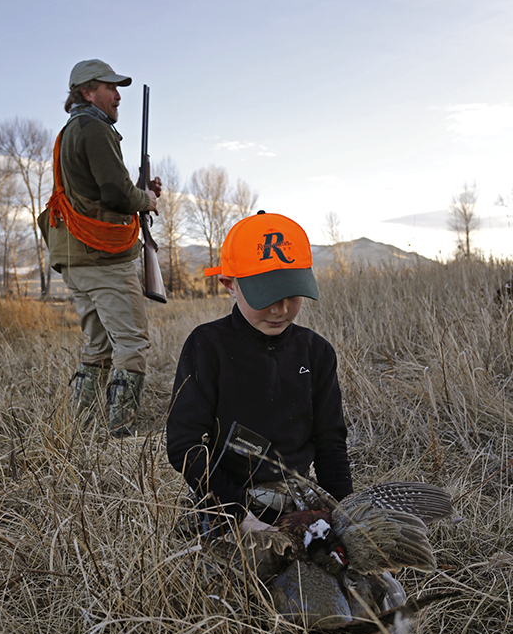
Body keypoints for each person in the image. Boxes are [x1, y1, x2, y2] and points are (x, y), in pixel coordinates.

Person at [166, 211, 353, 535]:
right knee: (248, 580)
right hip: (226, 501)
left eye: (291, 294)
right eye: (265, 295)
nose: (279, 309)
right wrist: (238, 514)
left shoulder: (317, 352)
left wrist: (342, 515)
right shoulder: (208, 345)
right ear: (230, 284)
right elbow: (185, 444)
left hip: (298, 499)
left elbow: (330, 443)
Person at [39, 58, 161, 435]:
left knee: (97, 345)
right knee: (132, 343)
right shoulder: (94, 128)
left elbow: (99, 191)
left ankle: (82, 425)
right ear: (87, 92)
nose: (118, 95)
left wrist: (139, 192)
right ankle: (120, 432)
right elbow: (114, 191)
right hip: (103, 256)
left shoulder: (71, 130)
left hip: (76, 257)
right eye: (110, 87)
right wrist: (147, 201)